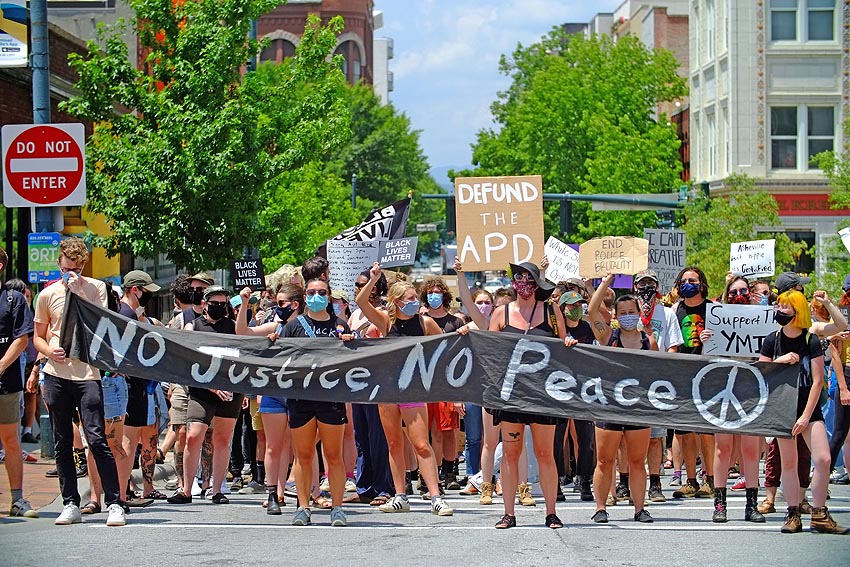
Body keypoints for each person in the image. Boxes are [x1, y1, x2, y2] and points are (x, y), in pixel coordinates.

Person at [34, 237, 126, 526]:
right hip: (56, 373)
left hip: (87, 373)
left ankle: (114, 502)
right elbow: (38, 335)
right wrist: (49, 350)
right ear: (58, 264)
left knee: (97, 437)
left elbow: (100, 323)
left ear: (82, 266)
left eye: (74, 268)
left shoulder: (96, 288)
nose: (68, 273)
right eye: (64, 268)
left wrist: (78, 292)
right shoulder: (47, 295)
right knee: (62, 441)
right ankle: (70, 501)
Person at [355, 262, 454, 517]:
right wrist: (373, 278)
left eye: (415, 298)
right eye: (409, 298)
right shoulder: (385, 321)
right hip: (387, 390)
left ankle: (436, 496)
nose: (415, 302)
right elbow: (361, 301)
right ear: (397, 301)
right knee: (393, 443)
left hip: (412, 390)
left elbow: (445, 347)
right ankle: (400, 495)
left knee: (421, 444)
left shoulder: (425, 323)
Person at [759, 289, 849, 534]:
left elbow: (818, 381)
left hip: (807, 406)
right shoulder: (772, 340)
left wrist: (806, 416)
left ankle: (819, 513)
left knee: (823, 459)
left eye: (785, 306)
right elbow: (760, 373)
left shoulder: (810, 339)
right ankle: (792, 513)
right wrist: (780, 361)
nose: (779, 310)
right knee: (789, 462)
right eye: (778, 306)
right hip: (781, 407)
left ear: (796, 310)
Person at [488, 261, 565, 529]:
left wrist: (568, 343)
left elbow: (564, 348)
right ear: (512, 283)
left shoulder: (552, 311)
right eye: (518, 277)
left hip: (543, 394)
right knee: (511, 453)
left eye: (528, 278)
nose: (523, 283)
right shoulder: (501, 313)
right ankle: (509, 513)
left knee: (545, 453)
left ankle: (551, 512)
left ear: (537, 282)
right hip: (511, 394)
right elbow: (489, 352)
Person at [581, 272, 657, 524]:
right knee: (605, 460)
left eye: (630, 311)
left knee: (637, 461)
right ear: (615, 315)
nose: (627, 315)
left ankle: (639, 508)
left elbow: (662, 373)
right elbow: (592, 312)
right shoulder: (608, 337)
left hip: (639, 409)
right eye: (621, 312)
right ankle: (600, 507)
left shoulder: (649, 341)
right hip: (609, 408)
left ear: (639, 312)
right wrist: (604, 282)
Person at [168, 286, 243, 505]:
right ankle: (186, 489)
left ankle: (217, 489)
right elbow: (189, 359)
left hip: (230, 389)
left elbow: (245, 354)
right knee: (193, 436)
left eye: (223, 304)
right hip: (202, 390)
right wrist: (211, 387)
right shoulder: (194, 326)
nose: (219, 307)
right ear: (205, 303)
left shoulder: (232, 327)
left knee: (222, 438)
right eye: (215, 304)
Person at [709, 275, 765, 523]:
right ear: (726, 295)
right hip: (724, 386)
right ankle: (719, 504)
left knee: (751, 449)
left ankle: (751, 505)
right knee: (723, 448)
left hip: (751, 388)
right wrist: (705, 342)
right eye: (733, 292)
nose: (738, 294)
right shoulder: (717, 319)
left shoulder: (762, 321)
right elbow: (705, 360)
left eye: (743, 290)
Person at [671, 266, 715, 500]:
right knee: (685, 431)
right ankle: (690, 480)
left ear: (702, 283)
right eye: (685, 280)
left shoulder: (714, 309)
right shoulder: (675, 310)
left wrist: (712, 338)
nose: (689, 283)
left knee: (706, 430)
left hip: (707, 374)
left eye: (693, 280)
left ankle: (709, 478)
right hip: (682, 375)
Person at [0, 249, 37, 518]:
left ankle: (17, 499)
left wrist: (0, 366)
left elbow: (22, 338)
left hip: (7, 383)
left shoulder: (12, 300)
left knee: (11, 440)